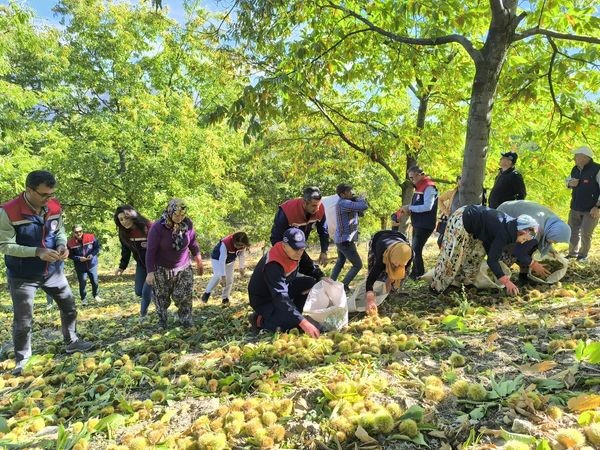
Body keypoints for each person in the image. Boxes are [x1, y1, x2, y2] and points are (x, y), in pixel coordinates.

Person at [0, 170, 93, 375]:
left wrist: (62, 245)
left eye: (51, 194)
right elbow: (5, 245)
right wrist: (37, 252)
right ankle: (23, 358)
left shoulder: (53, 205)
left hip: (53, 271)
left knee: (69, 307)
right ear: (29, 190)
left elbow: (59, 230)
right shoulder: (8, 211)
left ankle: (72, 342)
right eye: (43, 195)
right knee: (23, 320)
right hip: (23, 275)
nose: (48, 199)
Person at [430, 205, 547, 296]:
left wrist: (495, 261)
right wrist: (506, 282)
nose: (522, 242)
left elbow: (490, 245)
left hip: (478, 230)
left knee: (476, 257)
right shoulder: (504, 232)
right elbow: (492, 261)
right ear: (521, 231)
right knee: (453, 256)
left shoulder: (510, 228)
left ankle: (463, 283)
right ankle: (436, 287)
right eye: (524, 239)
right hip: (463, 219)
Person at [248, 228, 320, 338]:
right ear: (284, 245)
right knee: (290, 327)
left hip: (283, 287)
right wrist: (302, 321)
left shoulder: (298, 252)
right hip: (264, 298)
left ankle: (292, 312)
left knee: (311, 282)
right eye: (295, 249)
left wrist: (322, 277)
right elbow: (280, 296)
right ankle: (259, 319)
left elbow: (309, 267)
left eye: (301, 249)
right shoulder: (273, 264)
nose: (299, 252)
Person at [145, 199, 203, 328]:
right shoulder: (157, 227)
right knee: (161, 297)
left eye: (182, 215)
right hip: (162, 268)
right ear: (170, 212)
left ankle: (186, 319)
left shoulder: (188, 224)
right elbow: (150, 251)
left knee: (184, 295)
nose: (179, 218)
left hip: (183, 266)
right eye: (176, 215)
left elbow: (193, 243)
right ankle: (162, 321)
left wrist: (198, 259)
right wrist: (150, 272)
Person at [497, 200, 571, 283]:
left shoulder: (552, 223)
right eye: (555, 240)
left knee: (531, 247)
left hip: (516, 212)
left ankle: (523, 275)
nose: (555, 242)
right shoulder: (533, 230)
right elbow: (519, 252)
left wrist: (551, 248)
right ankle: (500, 275)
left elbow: (546, 236)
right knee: (514, 250)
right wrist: (534, 265)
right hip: (503, 215)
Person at [270, 186, 329, 279]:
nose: (317, 209)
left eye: (318, 205)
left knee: (315, 273)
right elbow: (276, 238)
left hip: (299, 246)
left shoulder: (320, 209)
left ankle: (322, 283)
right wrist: (287, 255)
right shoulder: (287, 210)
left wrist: (324, 251)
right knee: (290, 274)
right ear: (305, 203)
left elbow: (323, 231)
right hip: (285, 246)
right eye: (314, 206)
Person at [396, 166, 438, 279]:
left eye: (412, 177)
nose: (411, 180)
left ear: (419, 174)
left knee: (415, 249)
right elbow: (418, 206)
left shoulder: (429, 187)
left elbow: (428, 207)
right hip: (417, 223)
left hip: (425, 224)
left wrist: (410, 207)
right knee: (414, 249)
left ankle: (418, 274)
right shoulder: (419, 187)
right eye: (409, 178)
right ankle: (415, 272)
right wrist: (410, 211)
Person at [114, 205, 153, 322]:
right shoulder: (124, 233)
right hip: (141, 265)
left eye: (126, 218)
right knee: (138, 291)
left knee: (146, 291)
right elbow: (125, 251)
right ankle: (159, 297)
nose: (124, 222)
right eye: (120, 220)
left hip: (155, 265)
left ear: (132, 216)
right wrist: (122, 267)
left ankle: (143, 316)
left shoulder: (148, 227)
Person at [330, 183, 369, 291]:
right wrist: (361, 198)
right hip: (345, 240)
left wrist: (356, 201)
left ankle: (330, 284)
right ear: (342, 194)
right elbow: (364, 206)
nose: (351, 193)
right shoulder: (344, 203)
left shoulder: (346, 203)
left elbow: (361, 212)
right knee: (358, 265)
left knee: (340, 262)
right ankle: (344, 285)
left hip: (341, 239)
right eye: (349, 191)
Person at [364, 230, 413, 316]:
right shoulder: (382, 257)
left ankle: (392, 291)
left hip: (400, 237)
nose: (397, 266)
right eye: (394, 264)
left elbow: (402, 269)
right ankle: (379, 290)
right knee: (375, 272)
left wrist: (391, 280)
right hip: (378, 238)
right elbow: (370, 279)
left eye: (401, 264)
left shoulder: (409, 254)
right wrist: (370, 298)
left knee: (402, 274)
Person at [566, 146, 600, 262]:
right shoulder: (575, 169)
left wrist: (597, 207)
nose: (574, 158)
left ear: (585, 157)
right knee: (572, 231)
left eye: (576, 156)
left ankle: (583, 256)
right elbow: (567, 182)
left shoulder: (597, 169)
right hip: (575, 206)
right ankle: (572, 254)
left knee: (586, 233)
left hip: (591, 209)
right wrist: (570, 184)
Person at [202, 231, 250, 306]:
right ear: (233, 240)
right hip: (217, 259)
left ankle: (225, 298)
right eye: (236, 244)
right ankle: (207, 292)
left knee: (230, 279)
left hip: (230, 261)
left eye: (240, 245)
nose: (238, 246)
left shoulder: (243, 246)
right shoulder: (225, 243)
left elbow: (242, 256)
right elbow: (222, 260)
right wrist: (223, 277)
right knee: (218, 276)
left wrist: (241, 267)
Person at [67, 224, 101, 306]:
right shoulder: (70, 243)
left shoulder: (91, 237)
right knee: (82, 283)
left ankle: (96, 295)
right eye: (76, 232)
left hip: (92, 264)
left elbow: (97, 248)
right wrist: (79, 258)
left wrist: (92, 255)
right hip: (80, 266)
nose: (79, 233)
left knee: (95, 281)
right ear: (73, 233)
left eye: (80, 231)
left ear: (82, 231)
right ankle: (83, 299)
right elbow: (69, 255)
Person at [436, 176, 462, 248]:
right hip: (451, 220)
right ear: (457, 181)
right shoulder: (451, 193)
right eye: (460, 179)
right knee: (441, 242)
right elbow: (440, 199)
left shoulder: (471, 194)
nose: (462, 181)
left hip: (462, 222)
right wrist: (446, 211)